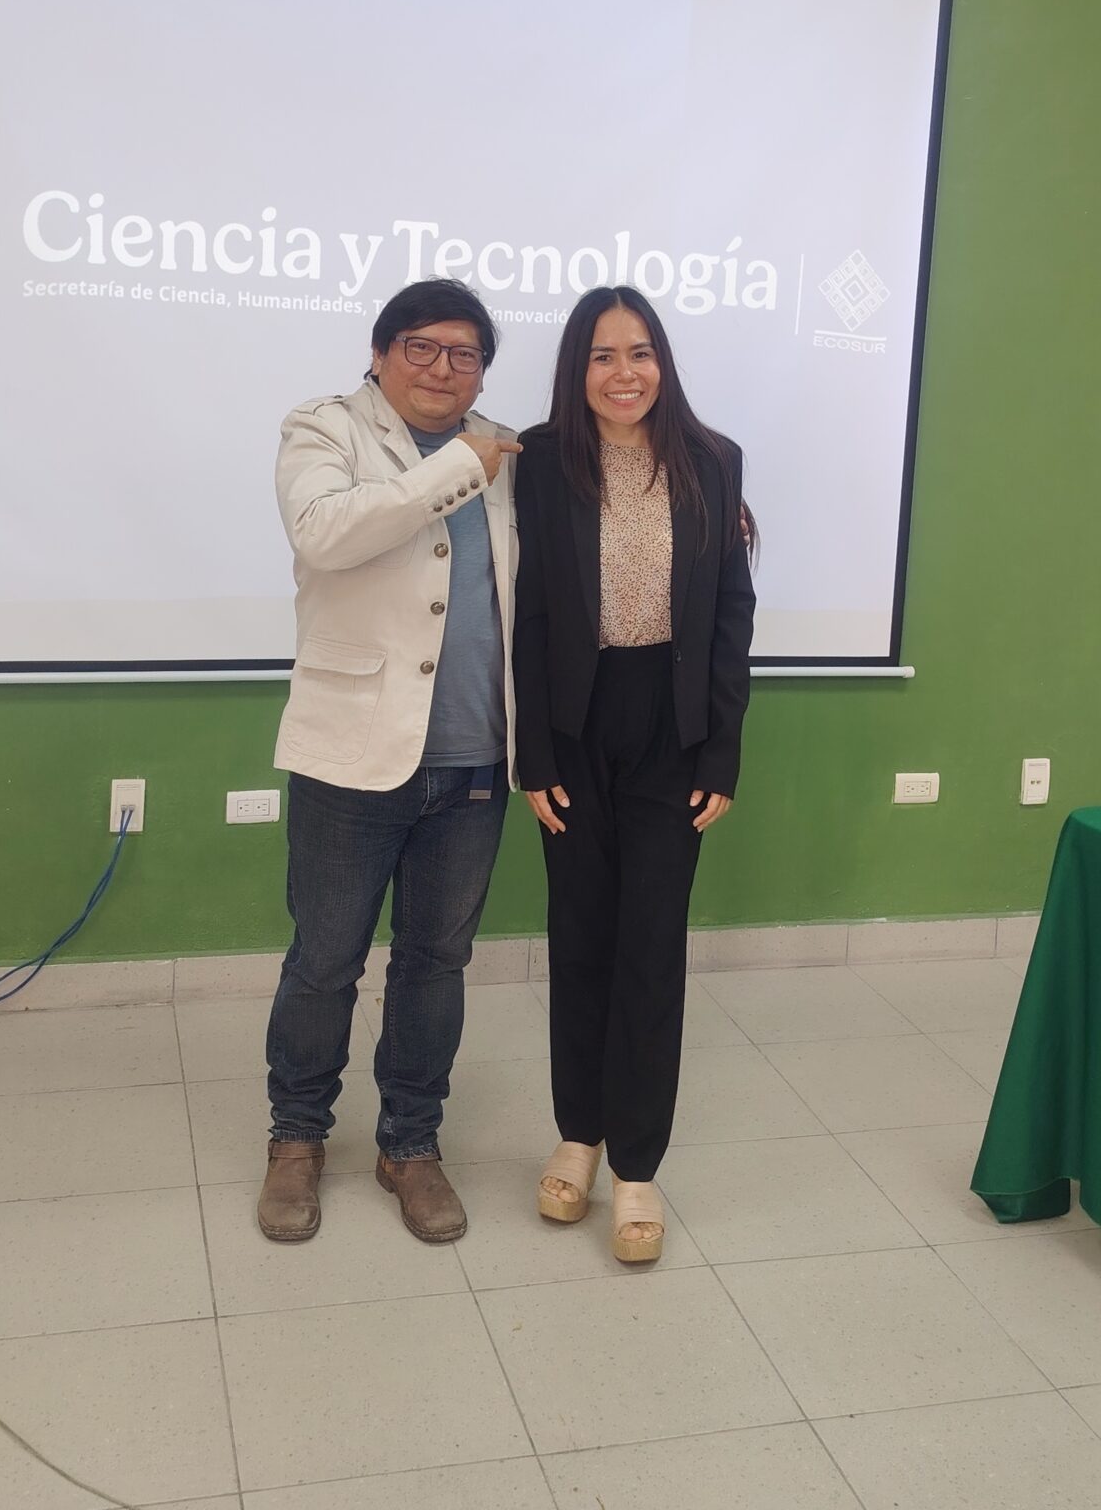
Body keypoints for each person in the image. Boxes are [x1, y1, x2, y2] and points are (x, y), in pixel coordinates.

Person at [259, 279, 521, 1247]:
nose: (444, 367)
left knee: (435, 962)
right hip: (350, 758)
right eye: (422, 346)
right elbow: (325, 533)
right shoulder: (323, 429)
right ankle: (297, 1137)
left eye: (465, 353)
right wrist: (454, 467)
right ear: (379, 354)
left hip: (475, 757)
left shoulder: (504, 450)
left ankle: (410, 1142)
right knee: (325, 960)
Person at [512, 285, 756, 1264]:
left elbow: (732, 610)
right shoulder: (543, 460)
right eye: (603, 355)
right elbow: (531, 612)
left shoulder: (713, 459)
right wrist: (533, 752)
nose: (625, 373)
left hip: (673, 729)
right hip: (574, 727)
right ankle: (579, 1133)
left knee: (652, 944)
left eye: (641, 351)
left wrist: (723, 750)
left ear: (664, 362)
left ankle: (638, 1164)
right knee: (580, 937)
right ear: (578, 368)